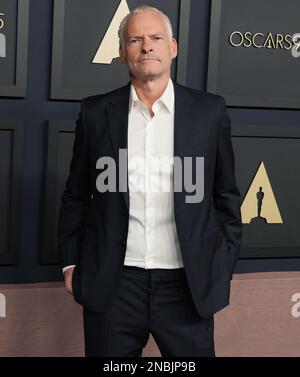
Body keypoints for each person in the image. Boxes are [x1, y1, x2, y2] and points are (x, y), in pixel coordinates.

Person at [57, 5, 242, 357]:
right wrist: (70, 263)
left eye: (156, 38)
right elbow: (76, 195)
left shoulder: (209, 111)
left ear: (172, 47)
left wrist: (221, 264)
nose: (146, 47)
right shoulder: (96, 113)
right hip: (115, 284)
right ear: (122, 51)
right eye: (135, 40)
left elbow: (226, 196)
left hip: (186, 286)